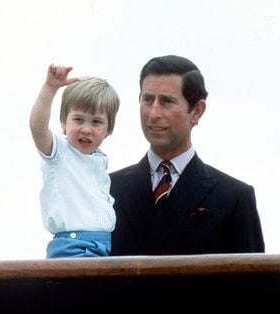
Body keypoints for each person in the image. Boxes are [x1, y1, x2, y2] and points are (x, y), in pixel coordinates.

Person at [110, 55, 265, 255]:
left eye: (166, 102)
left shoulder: (233, 198)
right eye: (147, 99)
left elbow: (255, 283)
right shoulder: (106, 190)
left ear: (197, 111)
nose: (153, 113)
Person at [29, 63, 120, 258]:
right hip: (72, 244)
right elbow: (37, 127)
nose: (86, 129)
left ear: (109, 129)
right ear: (64, 121)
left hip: (103, 244)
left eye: (96, 122)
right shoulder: (59, 151)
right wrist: (50, 88)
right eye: (78, 120)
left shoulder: (99, 159)